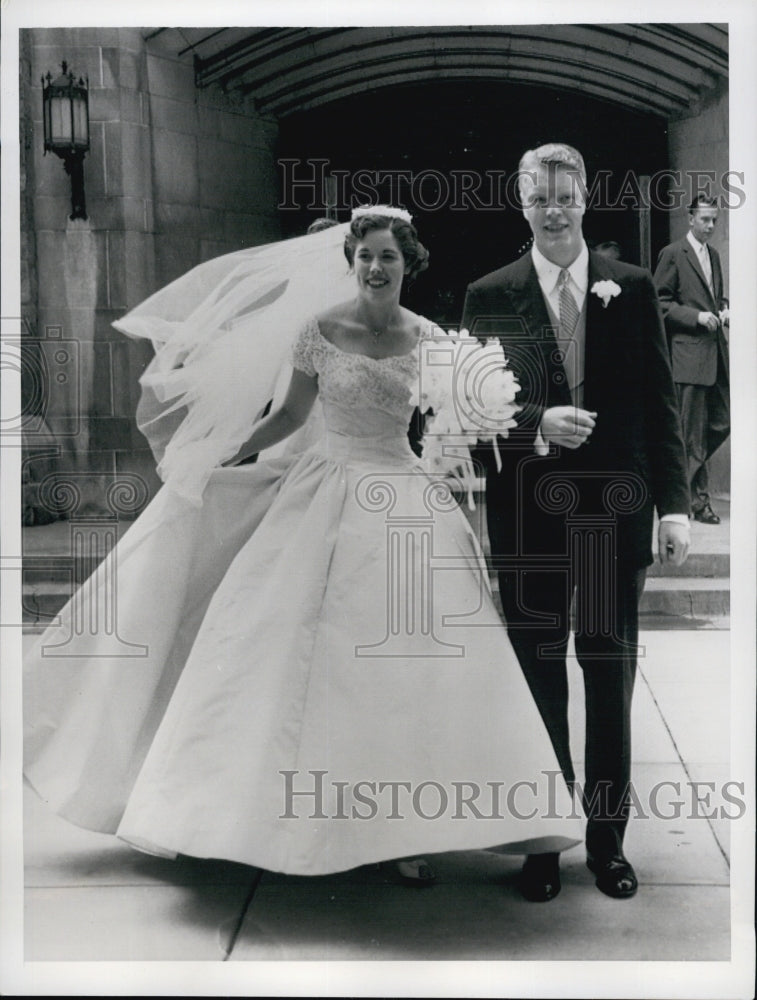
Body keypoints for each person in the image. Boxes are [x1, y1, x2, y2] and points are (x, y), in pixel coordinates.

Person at [24, 206, 582, 901]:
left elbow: (452, 421)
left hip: (403, 497)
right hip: (324, 491)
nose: (376, 268)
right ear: (349, 261)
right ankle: (255, 817)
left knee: (407, 670)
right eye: (366, 257)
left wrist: (481, 433)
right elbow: (287, 417)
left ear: (409, 265)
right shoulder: (317, 332)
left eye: (389, 258)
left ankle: (402, 835)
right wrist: (212, 458)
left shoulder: (432, 339)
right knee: (286, 657)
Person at [461, 144, 690, 899]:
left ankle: (606, 843)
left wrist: (675, 505)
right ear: (519, 201)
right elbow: (466, 410)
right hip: (526, 515)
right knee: (537, 679)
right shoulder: (487, 293)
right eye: (539, 195)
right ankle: (541, 843)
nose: (553, 208)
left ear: (586, 197)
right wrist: (534, 423)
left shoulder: (627, 287)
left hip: (613, 514)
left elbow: (658, 403)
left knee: (606, 673)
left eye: (565, 194)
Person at [653, 195, 730, 524]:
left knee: (722, 422)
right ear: (690, 219)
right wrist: (696, 318)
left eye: (714, 220)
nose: (711, 226)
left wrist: (724, 309)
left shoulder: (712, 255)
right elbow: (659, 301)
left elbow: (717, 295)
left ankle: (682, 493)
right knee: (693, 434)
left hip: (716, 354)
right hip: (688, 356)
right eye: (705, 220)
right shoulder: (672, 254)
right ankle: (695, 502)